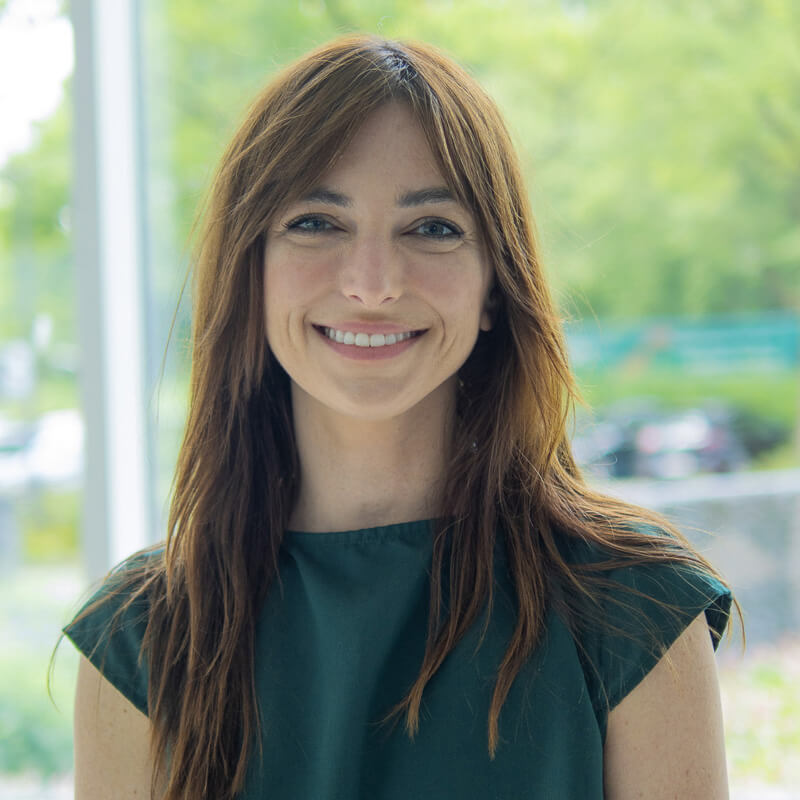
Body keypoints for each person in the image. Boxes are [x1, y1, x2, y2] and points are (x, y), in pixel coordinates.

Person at [64, 34, 734, 800]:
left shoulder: (633, 611)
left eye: (432, 228)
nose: (373, 283)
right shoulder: (142, 639)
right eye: (317, 221)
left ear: (493, 286)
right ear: (250, 273)